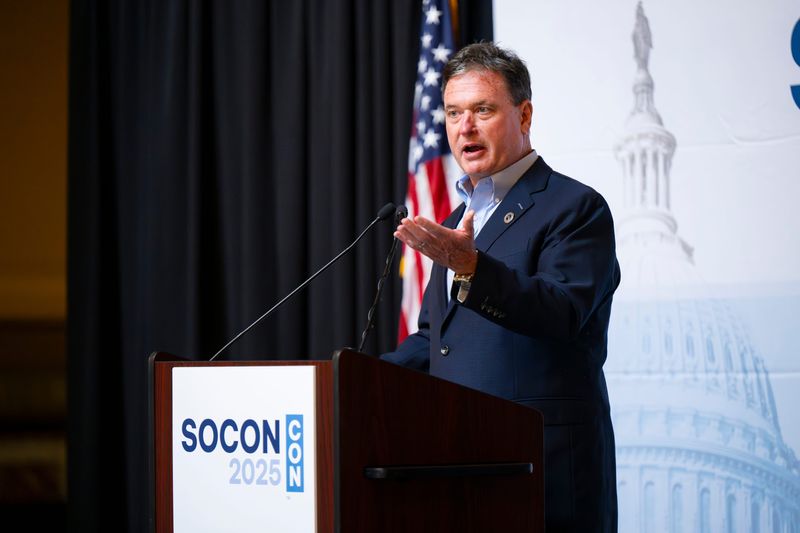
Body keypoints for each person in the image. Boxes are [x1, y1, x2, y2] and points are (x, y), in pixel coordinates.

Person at [382, 42, 620, 532]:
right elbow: (437, 339)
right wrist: (346, 375)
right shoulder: (456, 220)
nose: (463, 127)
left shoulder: (575, 208)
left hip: (543, 470)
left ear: (524, 114)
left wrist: (470, 265)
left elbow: (561, 310)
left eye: (481, 110)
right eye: (452, 112)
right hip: (460, 464)